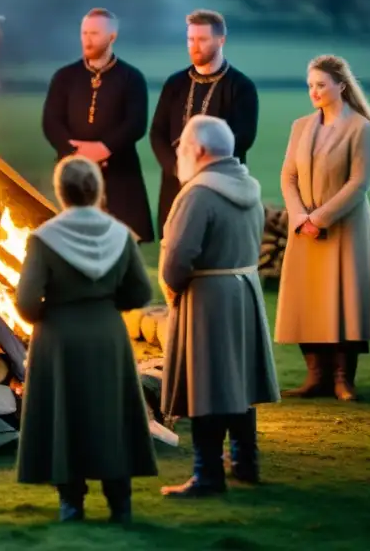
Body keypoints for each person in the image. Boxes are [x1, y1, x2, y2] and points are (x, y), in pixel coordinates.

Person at [15, 155, 158, 524]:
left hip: (60, 337)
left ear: (61, 192)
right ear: (98, 191)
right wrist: (107, 307)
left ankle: (71, 503)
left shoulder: (45, 239)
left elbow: (28, 301)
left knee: (68, 416)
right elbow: (141, 292)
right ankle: (120, 503)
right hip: (107, 334)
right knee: (112, 415)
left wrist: (51, 315)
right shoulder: (119, 234)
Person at [158, 115, 280, 497]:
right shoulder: (249, 187)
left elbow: (177, 257)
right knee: (238, 384)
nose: (179, 154)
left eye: (183, 147)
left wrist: (173, 289)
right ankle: (246, 462)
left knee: (206, 386)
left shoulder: (198, 194)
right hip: (244, 291)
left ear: (199, 150)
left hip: (208, 298)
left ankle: (207, 475)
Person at [274, 55, 370, 401]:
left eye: (321, 85)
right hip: (303, 231)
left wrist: (320, 218)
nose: (314, 91)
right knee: (306, 300)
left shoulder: (361, 129)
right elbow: (288, 176)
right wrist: (299, 218)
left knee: (345, 302)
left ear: (341, 85)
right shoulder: (300, 127)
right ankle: (316, 378)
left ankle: (343, 379)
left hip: (344, 228)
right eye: (310, 85)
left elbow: (359, 183)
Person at [41, 8, 154, 242]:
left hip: (120, 173)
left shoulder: (131, 78)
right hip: (73, 172)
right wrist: (76, 154)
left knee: (122, 243)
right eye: (84, 33)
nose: (87, 39)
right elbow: (51, 121)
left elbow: (136, 123)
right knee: (73, 241)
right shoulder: (64, 77)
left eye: (94, 33)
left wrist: (103, 149)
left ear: (112, 37)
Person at [150, 10, 258, 239]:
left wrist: (204, 169)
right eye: (191, 39)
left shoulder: (241, 86)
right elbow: (157, 132)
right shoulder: (175, 84)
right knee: (174, 256)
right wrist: (176, 167)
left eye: (202, 39)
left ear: (221, 40)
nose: (194, 46)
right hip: (175, 185)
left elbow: (244, 137)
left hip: (222, 187)